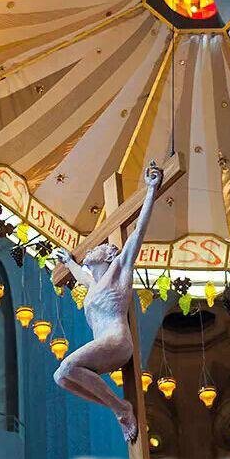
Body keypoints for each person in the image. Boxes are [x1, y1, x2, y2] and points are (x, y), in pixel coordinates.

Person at [54, 162, 164, 442]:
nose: (93, 248)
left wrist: (151, 190)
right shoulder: (93, 285)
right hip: (104, 346)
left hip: (116, 341)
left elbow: (138, 233)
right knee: (61, 378)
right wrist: (69, 262)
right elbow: (81, 275)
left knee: (68, 367)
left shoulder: (119, 271)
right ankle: (118, 407)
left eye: (99, 248)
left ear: (108, 255)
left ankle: (122, 409)